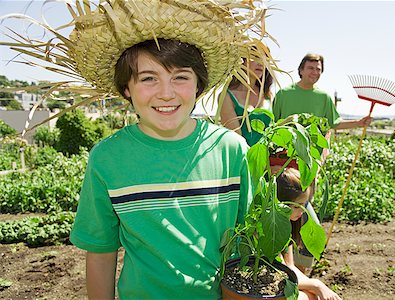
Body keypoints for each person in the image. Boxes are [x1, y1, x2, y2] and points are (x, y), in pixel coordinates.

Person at [1, 1, 274, 298]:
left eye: (180, 77)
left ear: (199, 86)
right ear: (127, 88)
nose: (166, 93)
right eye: (148, 78)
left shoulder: (231, 150)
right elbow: (101, 253)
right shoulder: (108, 159)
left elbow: (255, 239)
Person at [275, 166, 342, 300]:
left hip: (281, 279)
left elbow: (289, 267)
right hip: (268, 284)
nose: (302, 211)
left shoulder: (287, 224)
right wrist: (317, 285)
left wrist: (318, 287)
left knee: (313, 296)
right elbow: (282, 273)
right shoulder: (272, 229)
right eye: (296, 206)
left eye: (304, 205)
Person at [273, 53, 372, 130]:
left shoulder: (324, 97)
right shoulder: (283, 94)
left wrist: (359, 123)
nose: (315, 72)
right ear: (301, 71)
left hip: (312, 154)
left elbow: (333, 123)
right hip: (283, 153)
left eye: (318, 69)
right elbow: (272, 123)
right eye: (311, 68)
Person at [219, 56, 273, 146]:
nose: (260, 63)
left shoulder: (267, 95)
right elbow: (236, 140)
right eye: (254, 57)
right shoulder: (227, 96)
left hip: (267, 158)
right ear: (241, 61)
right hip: (241, 157)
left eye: (264, 59)